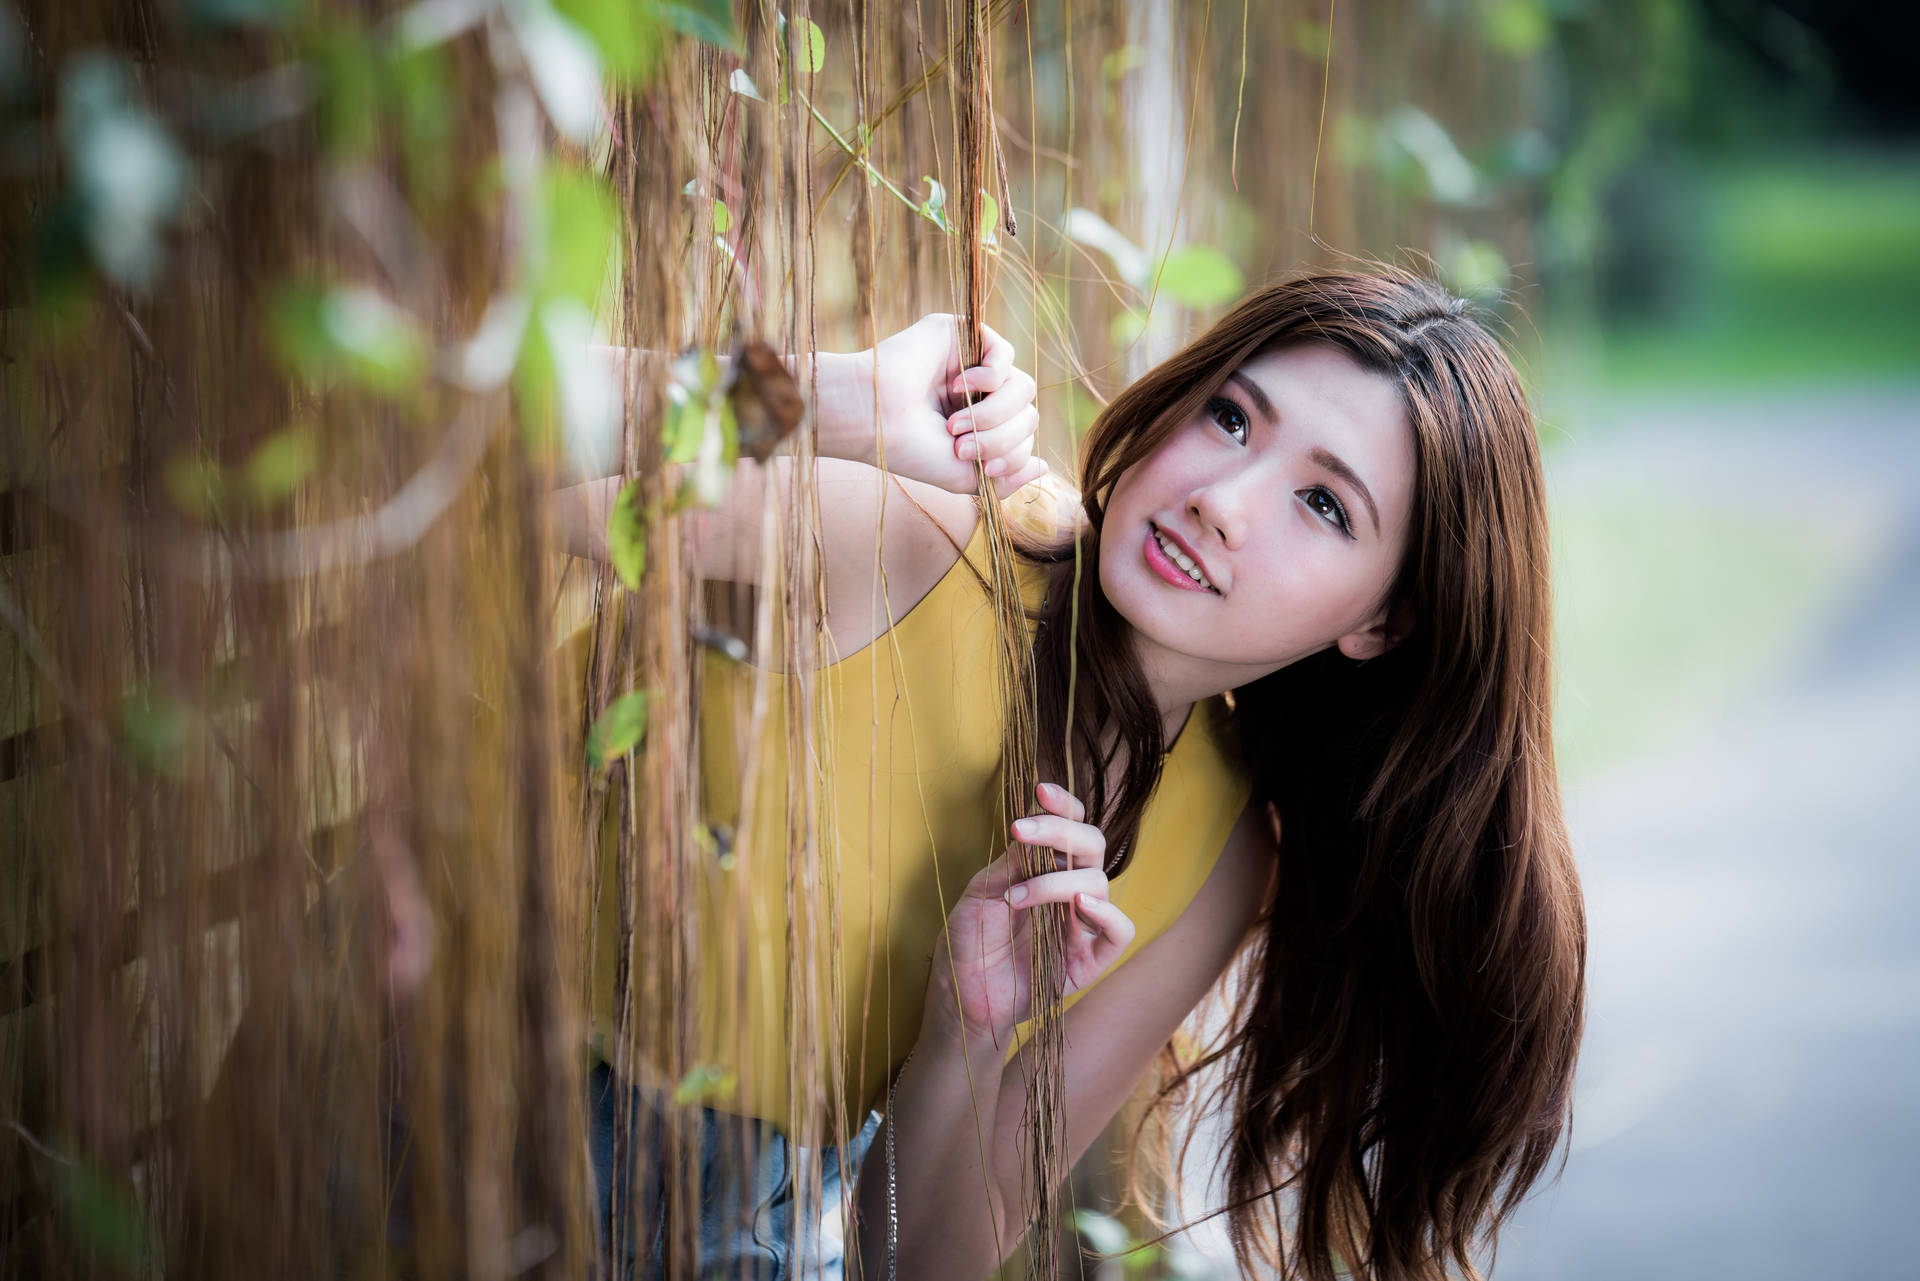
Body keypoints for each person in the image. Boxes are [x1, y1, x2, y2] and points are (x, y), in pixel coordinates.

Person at [558, 266, 1585, 1281]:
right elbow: (489, 439)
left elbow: (911, 1260)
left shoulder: (1222, 853)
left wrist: (964, 1040)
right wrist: (837, 398)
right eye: (1230, 418)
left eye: (1322, 503)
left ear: (1383, 620)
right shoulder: (934, 534)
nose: (1222, 502)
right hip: (456, 1093)